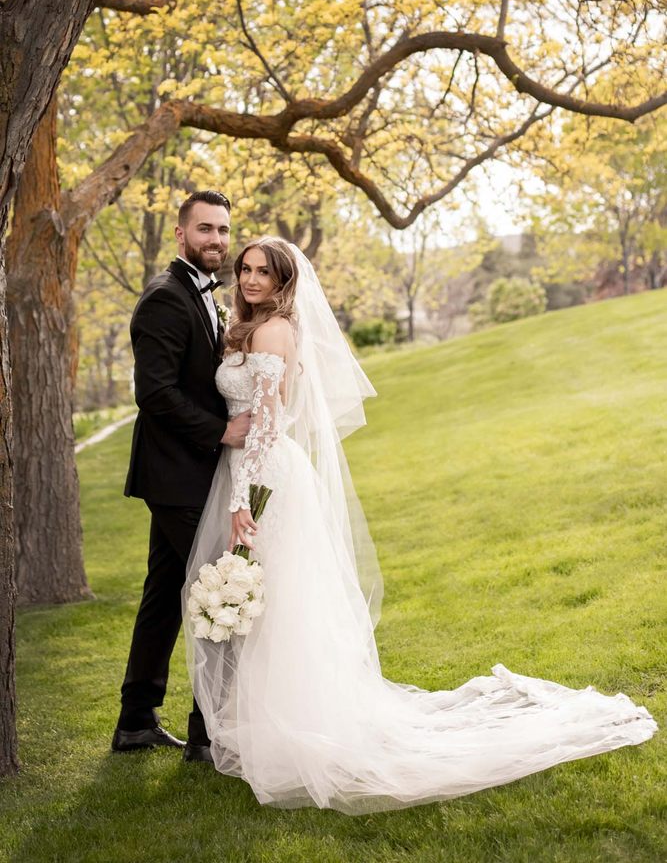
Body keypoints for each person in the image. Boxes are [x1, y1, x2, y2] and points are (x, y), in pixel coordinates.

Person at [183, 236, 657, 814]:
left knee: (282, 604)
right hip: (245, 470)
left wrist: (241, 500)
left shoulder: (275, 331)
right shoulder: (246, 327)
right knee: (270, 602)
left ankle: (299, 733)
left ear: (284, 284)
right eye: (246, 269)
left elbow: (266, 423)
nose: (252, 279)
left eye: (264, 272)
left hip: (263, 477)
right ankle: (272, 726)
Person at [112, 191, 250, 762]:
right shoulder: (166, 300)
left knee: (165, 595)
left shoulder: (202, 295)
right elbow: (155, 394)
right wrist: (220, 432)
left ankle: (136, 721)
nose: (216, 240)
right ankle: (206, 732)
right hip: (178, 476)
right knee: (217, 596)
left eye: (222, 229)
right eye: (204, 229)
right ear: (180, 233)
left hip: (188, 475)